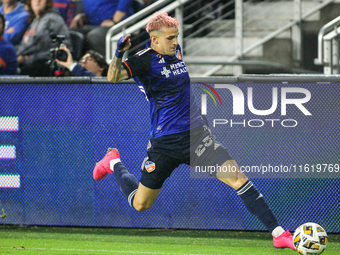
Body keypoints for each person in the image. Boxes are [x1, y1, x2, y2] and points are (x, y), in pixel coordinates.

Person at [93, 12, 296, 250]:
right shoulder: (144, 60)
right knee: (141, 205)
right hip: (165, 144)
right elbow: (112, 77)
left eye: (176, 36)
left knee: (238, 179)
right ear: (154, 40)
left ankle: (279, 234)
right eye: (169, 38)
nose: (175, 42)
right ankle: (114, 161)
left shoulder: (176, 53)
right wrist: (119, 53)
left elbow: (184, 91)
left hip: (197, 138)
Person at [16, 0, 72, 76]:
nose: (38, 1)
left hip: (51, 63)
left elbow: (39, 44)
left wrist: (24, 58)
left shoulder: (52, 19)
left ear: (47, 2)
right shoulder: (36, 21)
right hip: (36, 60)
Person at [69, 0, 134, 56]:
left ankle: (105, 68)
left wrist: (115, 20)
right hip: (94, 24)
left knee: (95, 36)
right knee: (73, 34)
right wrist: (82, 15)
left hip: (118, 25)